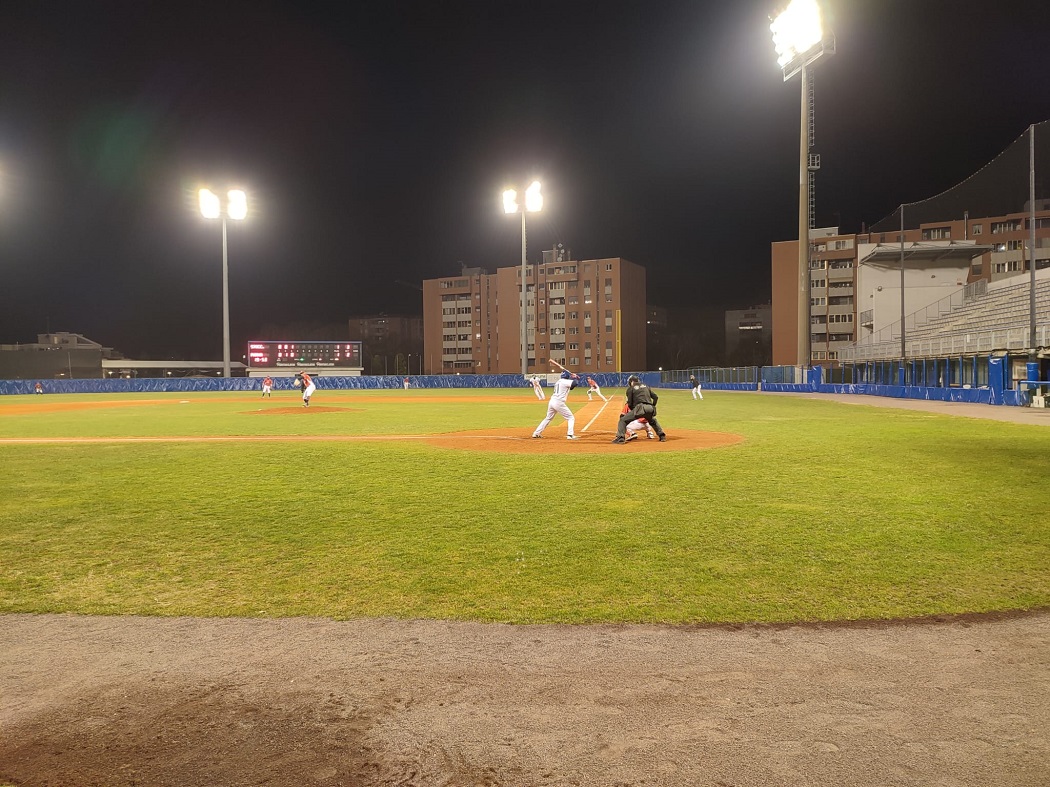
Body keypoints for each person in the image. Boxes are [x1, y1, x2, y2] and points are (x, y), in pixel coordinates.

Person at [612, 374, 666, 443]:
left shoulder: (630, 389)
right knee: (653, 421)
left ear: (631, 382)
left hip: (639, 408)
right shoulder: (646, 386)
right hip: (650, 407)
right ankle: (662, 436)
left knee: (623, 420)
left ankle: (620, 438)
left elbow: (630, 403)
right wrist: (653, 406)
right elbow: (655, 397)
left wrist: (634, 410)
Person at [532, 370, 580, 440]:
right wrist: (575, 378)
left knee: (548, 418)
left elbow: (572, 387)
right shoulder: (565, 381)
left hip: (552, 401)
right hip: (559, 402)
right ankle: (570, 435)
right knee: (570, 417)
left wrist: (575, 378)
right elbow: (575, 383)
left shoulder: (559, 381)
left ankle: (536, 433)